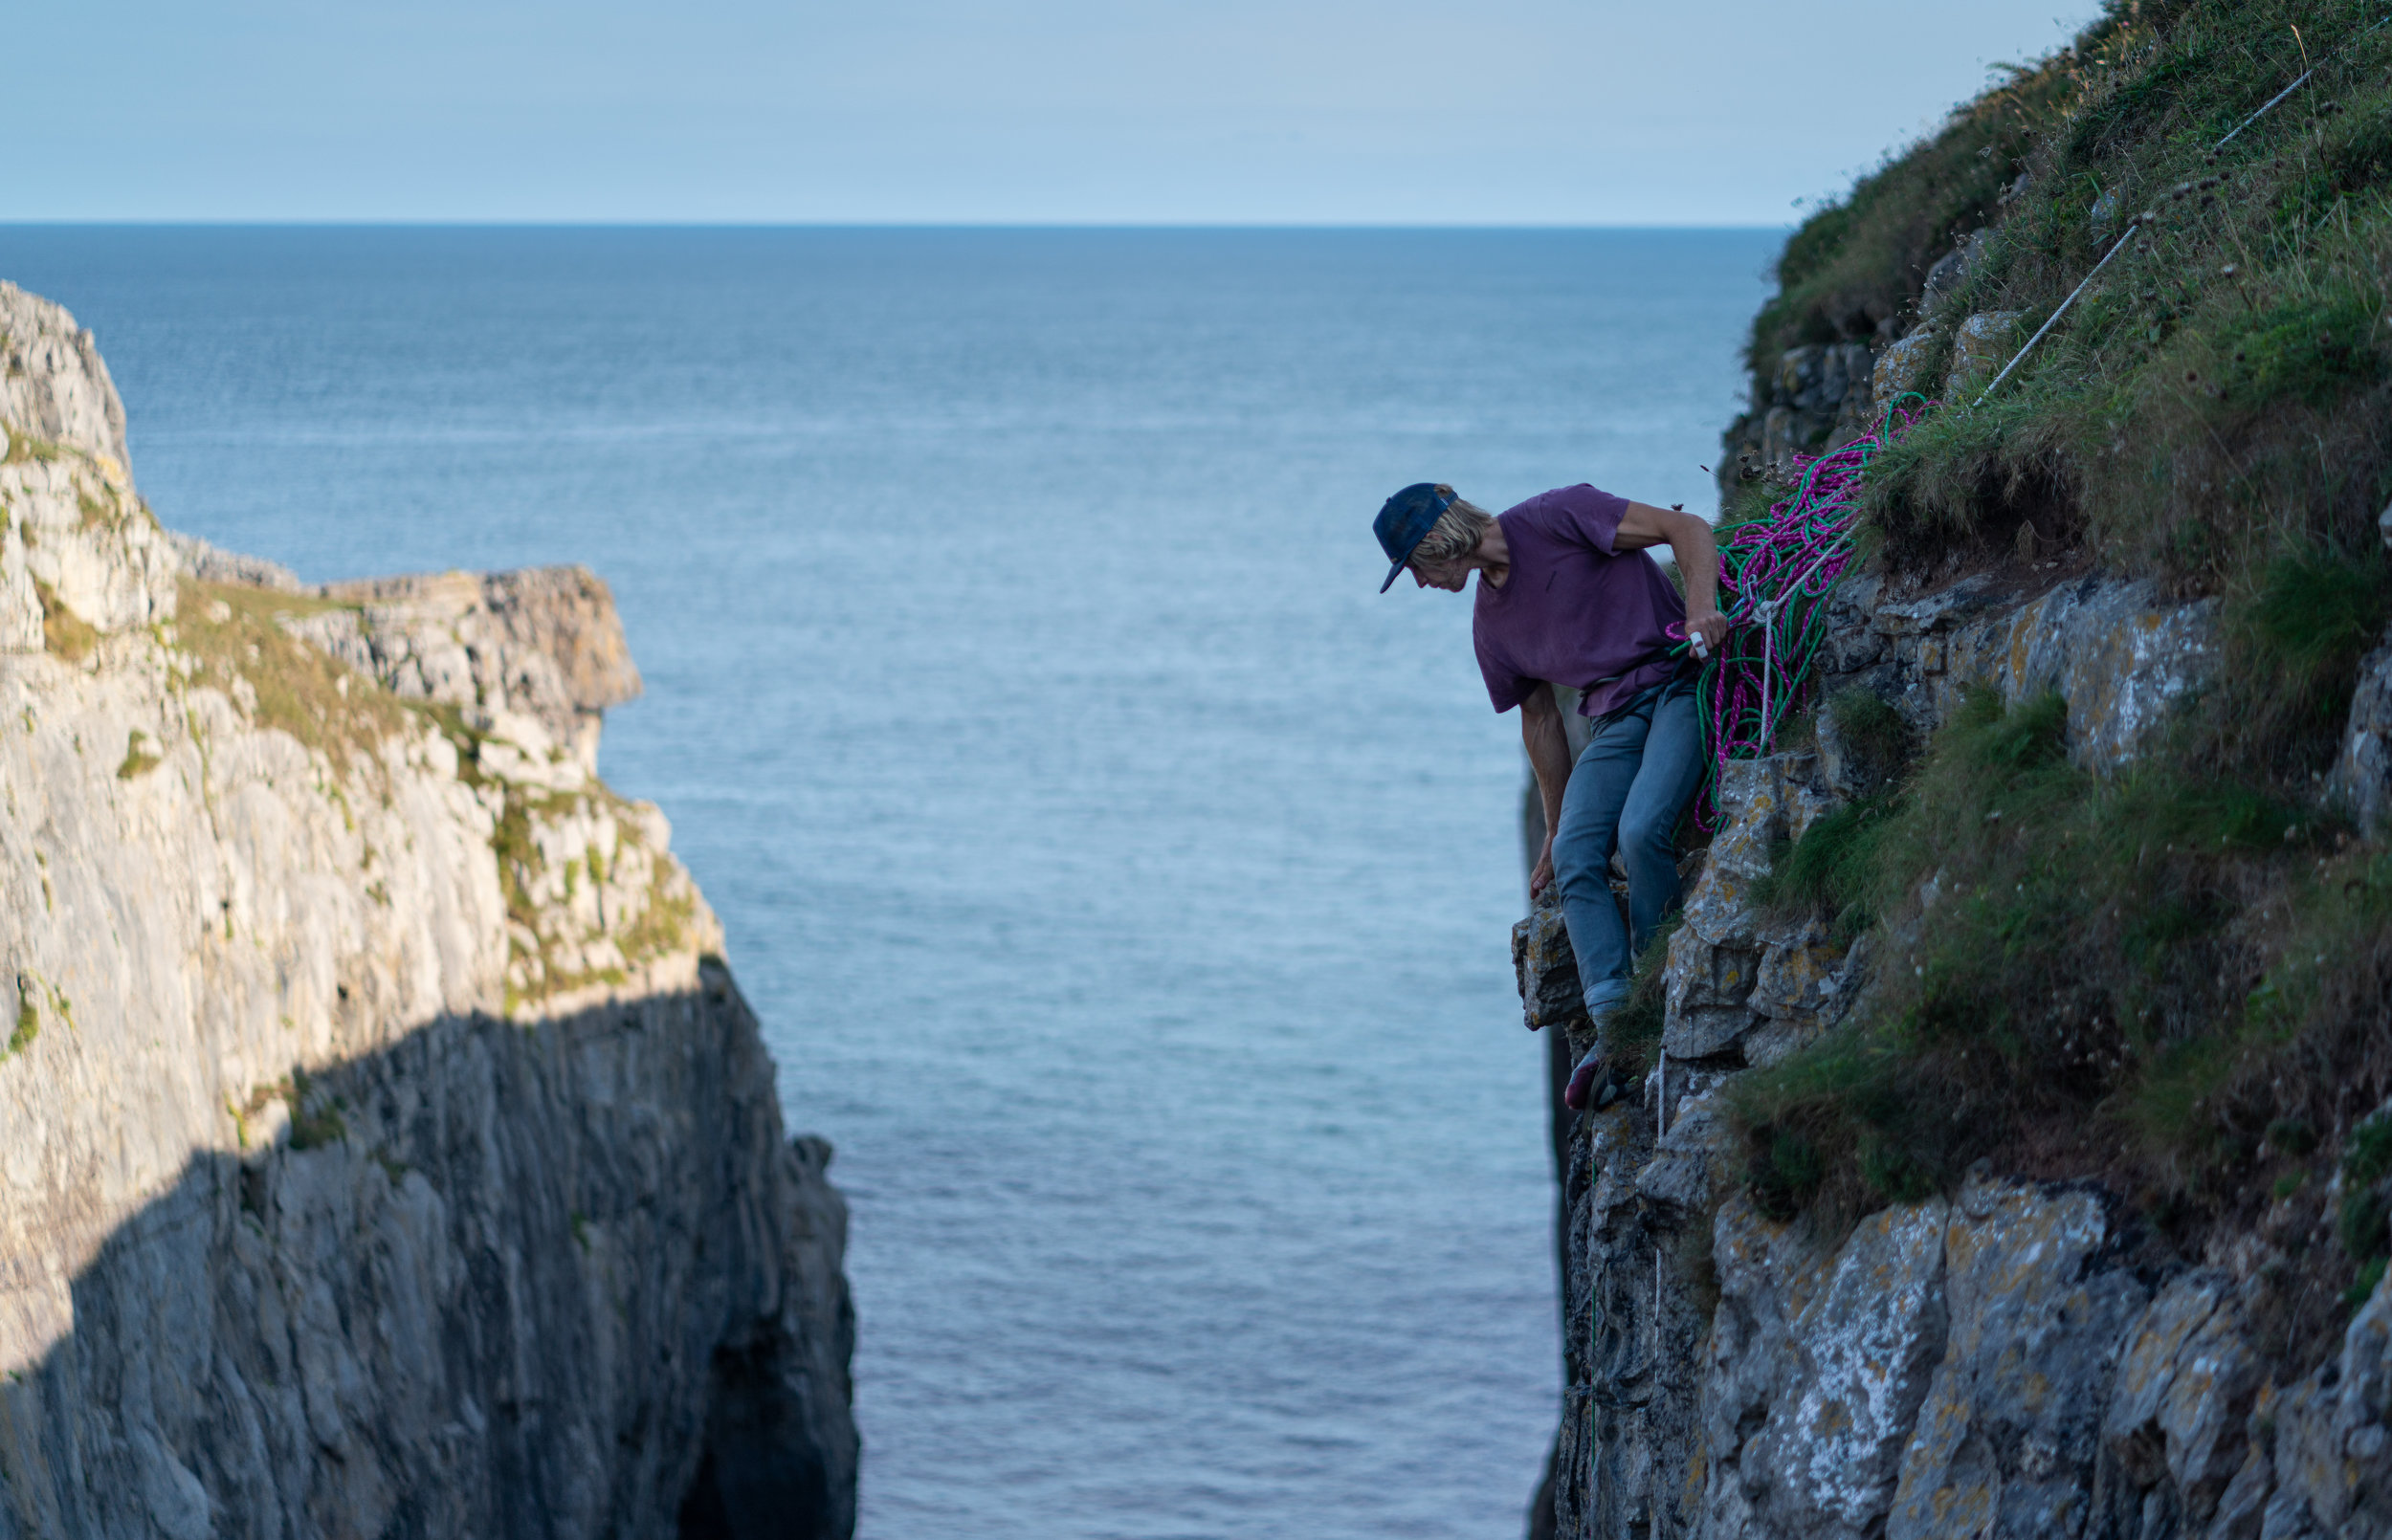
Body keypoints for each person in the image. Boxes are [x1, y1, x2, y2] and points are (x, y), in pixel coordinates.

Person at [1373, 481, 1727, 1111]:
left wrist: (1701, 607)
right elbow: (1539, 722)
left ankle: (1656, 990)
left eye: (1415, 569)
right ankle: (1616, 1025)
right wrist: (1557, 824)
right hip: (1616, 721)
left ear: (1438, 540)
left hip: (1680, 682)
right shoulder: (1490, 627)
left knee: (1643, 831)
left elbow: (1690, 529)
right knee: (1573, 857)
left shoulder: (1559, 516)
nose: (1423, 585)